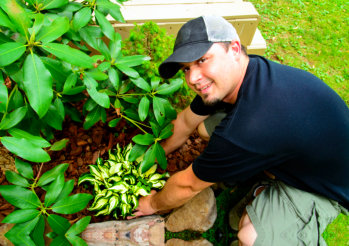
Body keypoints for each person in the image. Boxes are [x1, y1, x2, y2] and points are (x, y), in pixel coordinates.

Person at [131, 15, 349, 245]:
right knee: (205, 129)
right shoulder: (241, 73)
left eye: (203, 59)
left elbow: (188, 185)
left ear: (234, 48)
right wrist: (151, 157)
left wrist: (151, 204)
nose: (193, 78)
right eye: (186, 68)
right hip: (304, 149)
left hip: (328, 187)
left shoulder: (249, 126)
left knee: (249, 236)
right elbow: (186, 122)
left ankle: (282, 206)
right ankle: (265, 174)